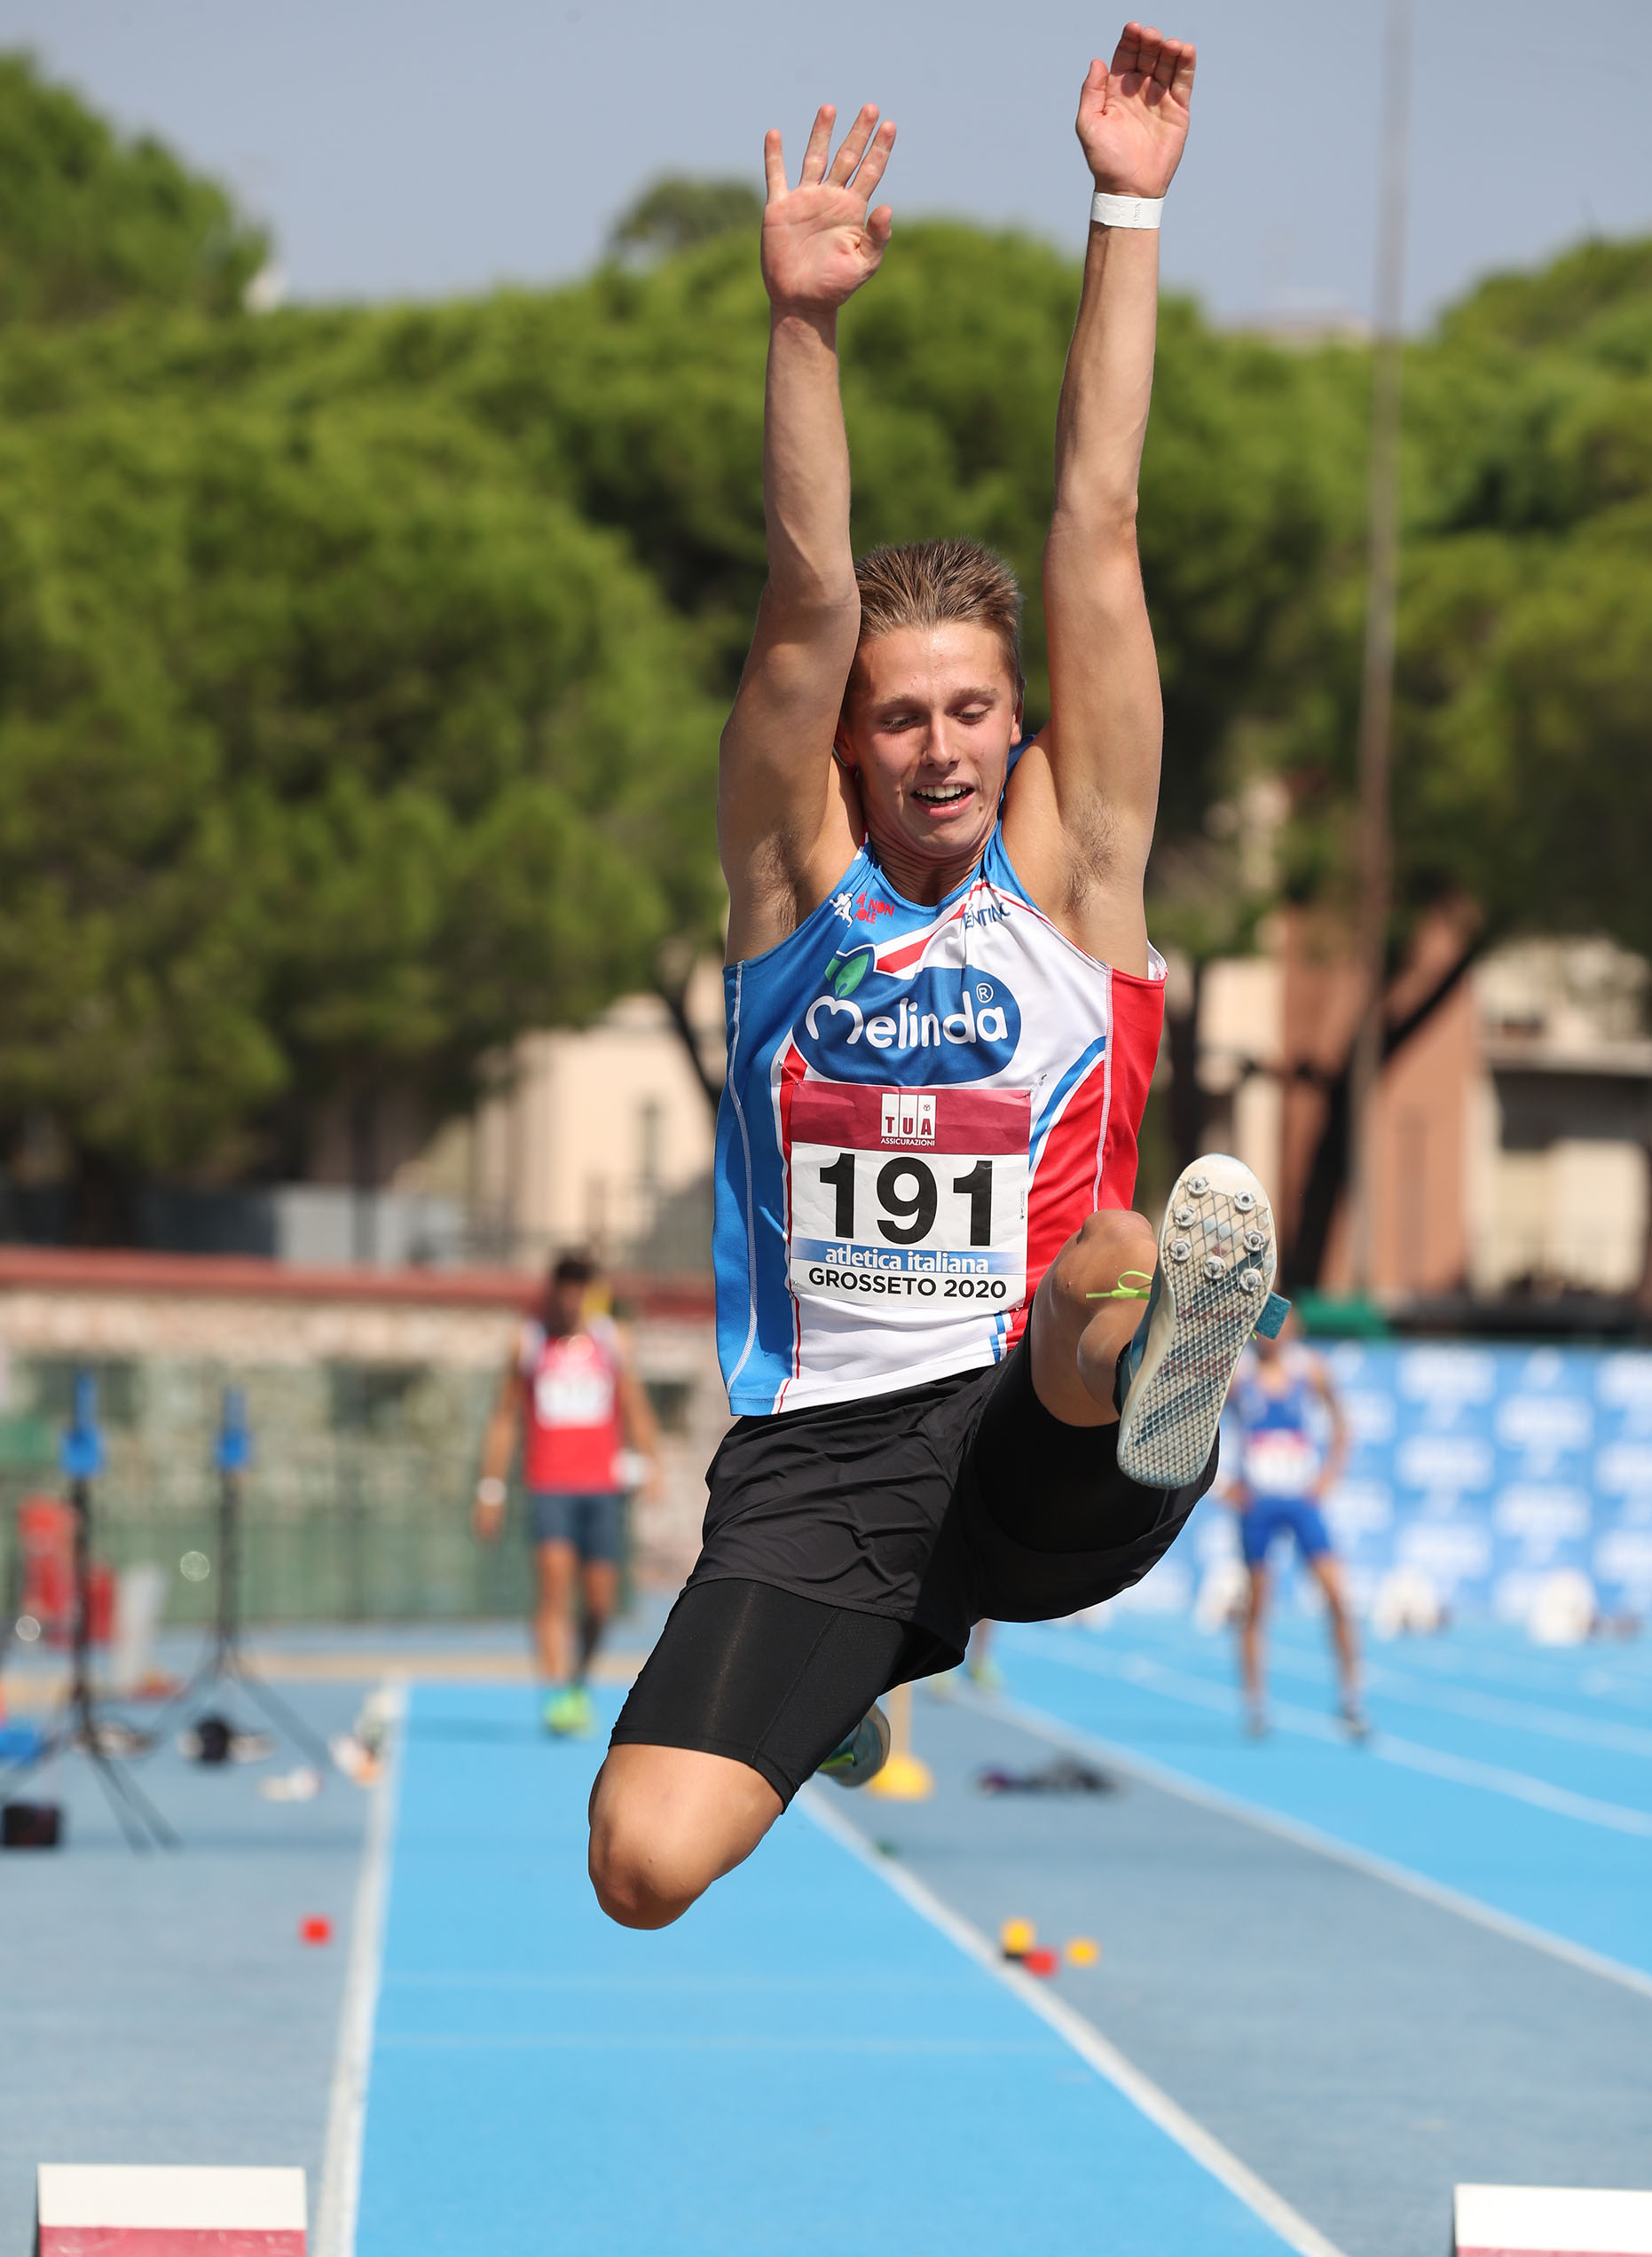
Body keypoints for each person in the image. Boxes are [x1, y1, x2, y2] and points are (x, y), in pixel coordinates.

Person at [589, 24, 1289, 1930]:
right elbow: (805, 595)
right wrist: (800, 324)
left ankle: (1164, 1369)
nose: (941, 747)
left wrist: (1125, 208)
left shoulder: (1070, 870)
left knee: (1112, 1254)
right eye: (900, 718)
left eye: (974, 707)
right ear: (848, 742)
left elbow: (1098, 522)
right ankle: (852, 1680)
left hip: (1030, 1443)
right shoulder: (790, 887)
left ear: (1014, 719)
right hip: (817, 1469)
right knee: (639, 1865)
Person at [474, 1254, 662, 1737]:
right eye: (565, 1289)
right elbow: (504, 1417)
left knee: (599, 1604)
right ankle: (556, 1692)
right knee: (554, 1590)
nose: (572, 1300)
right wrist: (491, 1488)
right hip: (549, 1486)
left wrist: (650, 1462)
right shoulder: (529, 1341)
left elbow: (635, 1404)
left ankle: (577, 1680)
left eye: (581, 1289)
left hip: (601, 1489)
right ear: (553, 1292)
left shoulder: (612, 1340)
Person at [1222, 1317, 1367, 1739]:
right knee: (1258, 1604)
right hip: (1259, 1502)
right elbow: (1198, 1427)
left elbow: (1341, 1421)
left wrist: (1329, 1476)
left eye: (1283, 1329)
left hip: (1301, 1500)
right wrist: (1223, 1487)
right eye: (1267, 1329)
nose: (1275, 1336)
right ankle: (1255, 1705)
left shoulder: (1309, 1369)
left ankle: (1352, 1699)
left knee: (1338, 1595)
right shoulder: (1240, 1374)